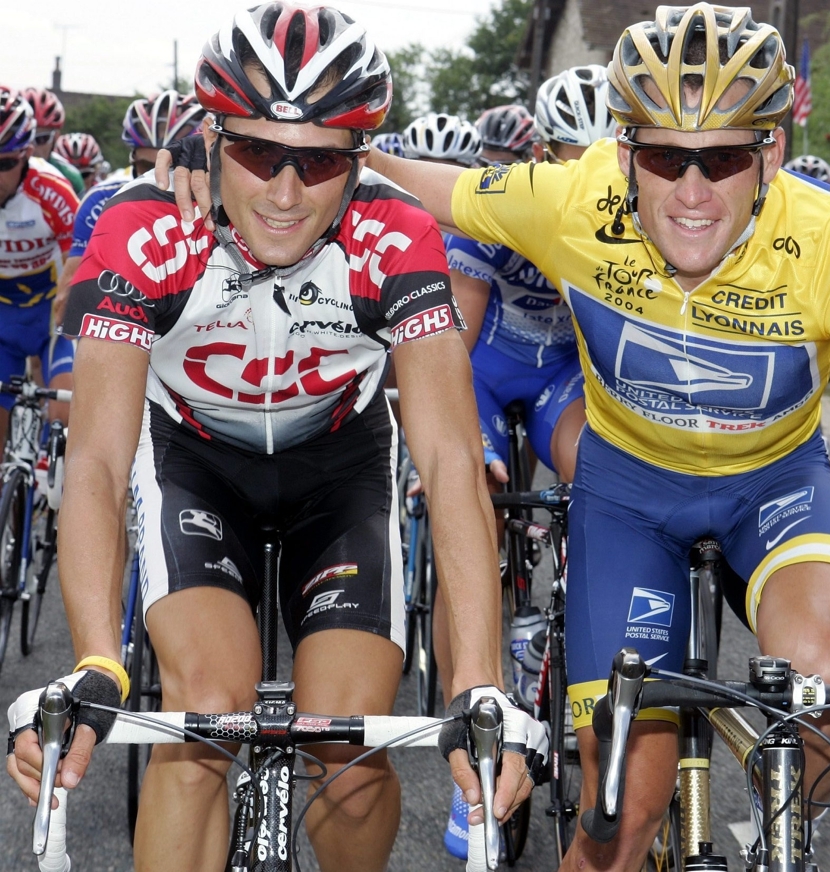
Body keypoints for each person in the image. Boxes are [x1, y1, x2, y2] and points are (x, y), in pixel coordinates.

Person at [159, 7, 830, 870]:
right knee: (619, 816)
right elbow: (398, 173)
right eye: (661, 157)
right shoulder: (573, 201)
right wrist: (218, 157)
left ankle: (774, 812)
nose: (688, 191)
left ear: (772, 154)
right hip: (628, 496)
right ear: (621, 150)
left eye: (720, 161)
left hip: (777, 486)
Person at [6, 6, 543, 872]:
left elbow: (447, 460)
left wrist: (476, 681)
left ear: (359, 159)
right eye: (259, 153)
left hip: (341, 472)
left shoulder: (397, 235)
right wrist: (98, 662)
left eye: (321, 159)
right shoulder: (142, 229)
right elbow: (101, 463)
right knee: (202, 719)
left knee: (349, 750)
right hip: (196, 467)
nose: (286, 194)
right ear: (212, 138)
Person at [435, 79, 612, 857]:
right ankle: (465, 740)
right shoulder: (509, 203)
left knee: (599, 476)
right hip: (486, 367)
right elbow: (455, 345)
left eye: (607, 158)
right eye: (576, 159)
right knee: (469, 496)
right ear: (547, 157)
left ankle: (564, 621)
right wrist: (454, 447)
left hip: (562, 376)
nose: (592, 176)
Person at [52, 90, 208, 326]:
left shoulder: (227, 198)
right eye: (148, 165)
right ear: (131, 157)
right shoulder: (101, 199)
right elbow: (65, 306)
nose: (160, 176)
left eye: (177, 163)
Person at [0, 88, 77, 447]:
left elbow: (79, 265)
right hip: (3, 317)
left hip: (50, 314)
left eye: (5, 164)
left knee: (64, 418)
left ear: (27, 156)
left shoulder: (53, 192)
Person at [19, 86, 84, 196]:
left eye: (42, 138)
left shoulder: (71, 178)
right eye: (24, 137)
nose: (32, 146)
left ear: (56, 137)